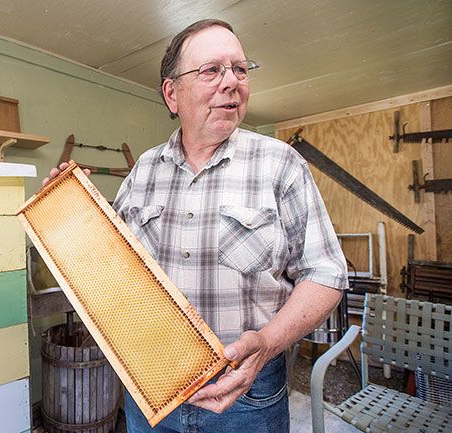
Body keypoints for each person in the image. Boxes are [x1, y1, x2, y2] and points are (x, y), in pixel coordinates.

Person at [43, 18, 347, 433]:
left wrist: (267, 344)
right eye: (211, 70)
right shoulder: (145, 169)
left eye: (240, 69)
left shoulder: (281, 164)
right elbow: (111, 269)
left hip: (247, 395)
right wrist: (68, 211)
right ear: (172, 93)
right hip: (150, 390)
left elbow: (327, 274)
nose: (231, 82)